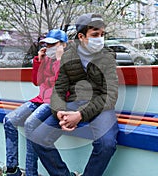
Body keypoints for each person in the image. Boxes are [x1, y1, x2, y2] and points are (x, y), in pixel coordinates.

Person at [27, 13, 119, 176]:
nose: (100, 38)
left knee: (107, 144)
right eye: (95, 35)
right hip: (73, 103)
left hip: (100, 105)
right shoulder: (68, 56)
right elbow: (59, 89)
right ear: (81, 36)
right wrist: (59, 111)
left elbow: (109, 95)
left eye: (102, 34)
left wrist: (80, 115)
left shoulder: (107, 57)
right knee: (38, 137)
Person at [3, 29, 68, 176]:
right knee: (9, 120)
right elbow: (36, 81)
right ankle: (12, 169)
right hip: (40, 99)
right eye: (47, 45)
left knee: (30, 125)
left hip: (55, 101)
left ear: (63, 45)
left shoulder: (69, 61)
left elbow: (62, 85)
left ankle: (31, 173)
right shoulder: (46, 59)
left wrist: (59, 61)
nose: (49, 48)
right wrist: (38, 61)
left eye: (53, 44)